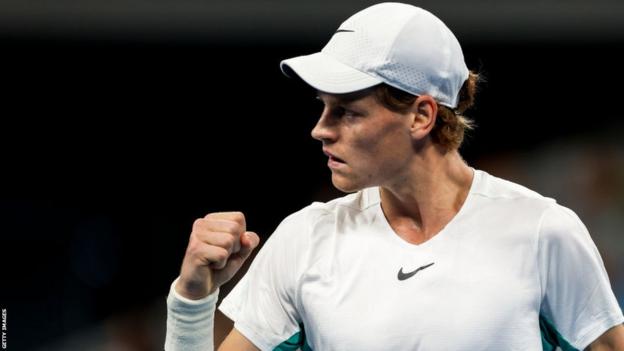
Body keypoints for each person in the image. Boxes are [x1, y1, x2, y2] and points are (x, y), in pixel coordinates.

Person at [165, 3, 624, 350]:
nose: (320, 129)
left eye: (346, 111)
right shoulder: (303, 239)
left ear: (421, 116)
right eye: (322, 108)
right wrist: (190, 299)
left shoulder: (543, 231)